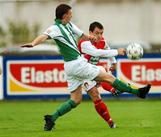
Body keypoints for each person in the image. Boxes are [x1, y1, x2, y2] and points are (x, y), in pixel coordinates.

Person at [22, 4, 151, 131]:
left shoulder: (69, 25)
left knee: (76, 100)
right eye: (70, 13)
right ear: (65, 15)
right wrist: (33, 43)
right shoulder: (55, 28)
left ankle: (51, 118)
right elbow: (44, 36)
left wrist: (89, 36)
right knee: (108, 77)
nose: (72, 15)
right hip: (78, 64)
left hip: (70, 66)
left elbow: (81, 33)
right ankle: (138, 92)